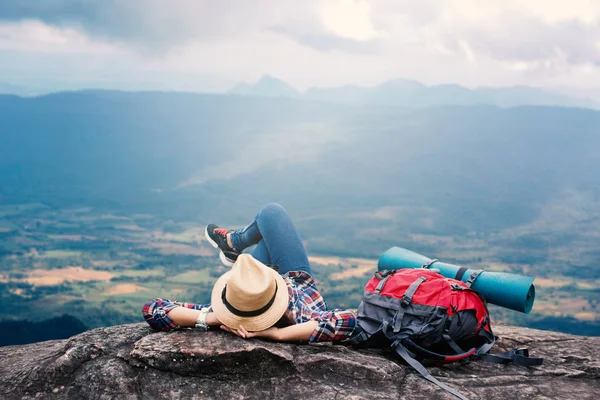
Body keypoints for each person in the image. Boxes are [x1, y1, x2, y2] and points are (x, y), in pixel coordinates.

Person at [142, 203, 358, 343]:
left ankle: (234, 248)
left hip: (258, 288)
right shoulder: (300, 318)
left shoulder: (233, 307)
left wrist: (211, 318)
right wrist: (277, 334)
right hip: (294, 281)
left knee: (268, 233)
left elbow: (153, 309)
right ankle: (233, 243)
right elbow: (348, 320)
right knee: (272, 214)